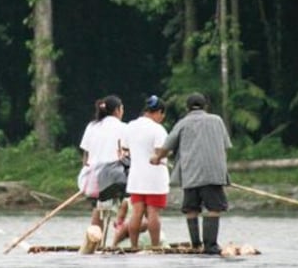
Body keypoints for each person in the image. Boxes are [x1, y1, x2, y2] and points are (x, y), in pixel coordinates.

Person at [150, 92, 232, 254]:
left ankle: (196, 245)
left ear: (187, 108)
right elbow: (225, 146)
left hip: (191, 175)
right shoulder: (217, 120)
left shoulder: (183, 123)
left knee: (191, 209)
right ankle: (211, 246)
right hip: (213, 174)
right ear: (205, 106)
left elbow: (167, 146)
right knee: (214, 208)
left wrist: (157, 158)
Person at [120, 94, 169, 248]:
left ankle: (133, 246)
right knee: (153, 213)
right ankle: (155, 247)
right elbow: (160, 151)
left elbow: (125, 148)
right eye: (162, 115)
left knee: (136, 213)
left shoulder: (130, 126)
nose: (162, 118)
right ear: (158, 112)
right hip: (155, 177)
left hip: (136, 176)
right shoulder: (158, 129)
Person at [79, 94, 127, 229]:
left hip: (92, 178)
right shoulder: (124, 127)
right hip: (114, 178)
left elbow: (86, 157)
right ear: (117, 110)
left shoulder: (91, 126)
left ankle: (95, 243)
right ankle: (121, 229)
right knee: (128, 202)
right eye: (122, 109)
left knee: (98, 207)